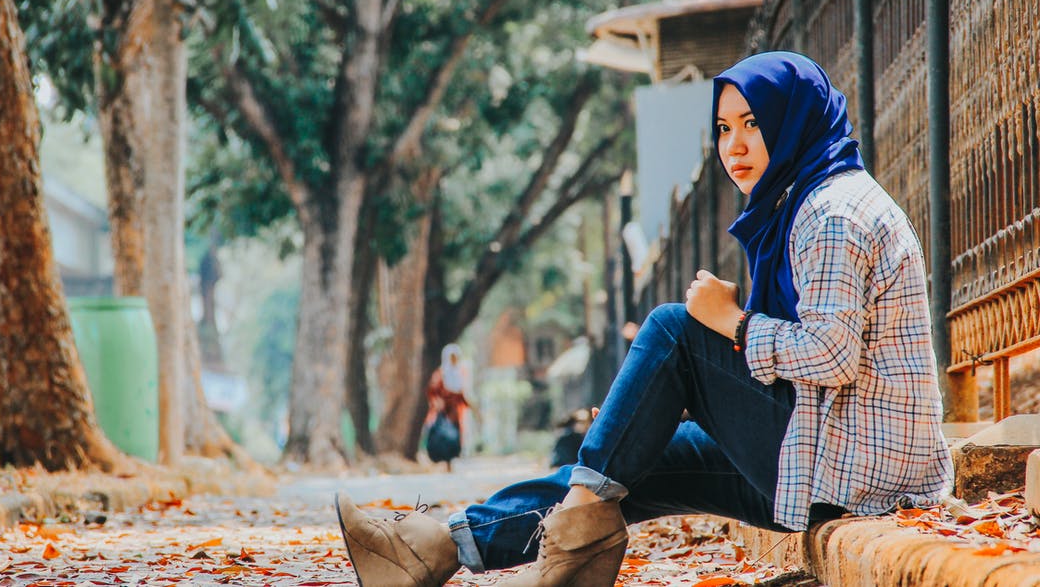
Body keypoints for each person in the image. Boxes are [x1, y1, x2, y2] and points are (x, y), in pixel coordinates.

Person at [333, 51, 954, 587]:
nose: (733, 146)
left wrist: (733, 323)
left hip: (853, 472)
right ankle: (444, 547)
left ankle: (553, 532)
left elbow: (832, 354)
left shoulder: (832, 213)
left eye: (753, 125)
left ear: (795, 122)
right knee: (625, 465)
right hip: (833, 457)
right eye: (722, 128)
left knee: (672, 328)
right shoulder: (810, 200)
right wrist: (654, 407)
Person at [424, 344, 471, 470]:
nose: (454, 360)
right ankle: (442, 461)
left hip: (455, 413)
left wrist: (471, 407)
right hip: (444, 412)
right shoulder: (440, 374)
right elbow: (432, 392)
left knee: (454, 438)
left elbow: (461, 394)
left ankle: (450, 462)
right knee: (442, 437)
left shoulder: (460, 374)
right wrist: (437, 402)